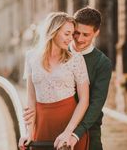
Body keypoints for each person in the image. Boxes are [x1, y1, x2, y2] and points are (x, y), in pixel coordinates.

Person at [23, 7, 112, 150]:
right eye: (75, 33)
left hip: (87, 126)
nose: (77, 38)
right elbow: (31, 97)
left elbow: (94, 105)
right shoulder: (37, 55)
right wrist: (29, 128)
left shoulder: (101, 63)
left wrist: (73, 133)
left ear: (96, 33)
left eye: (85, 34)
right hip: (46, 121)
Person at [18, 12, 90, 150]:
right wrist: (29, 133)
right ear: (53, 31)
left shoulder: (76, 59)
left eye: (72, 34)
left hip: (69, 124)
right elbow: (31, 100)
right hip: (42, 125)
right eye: (67, 33)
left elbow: (84, 99)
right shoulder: (31, 57)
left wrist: (69, 132)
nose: (71, 39)